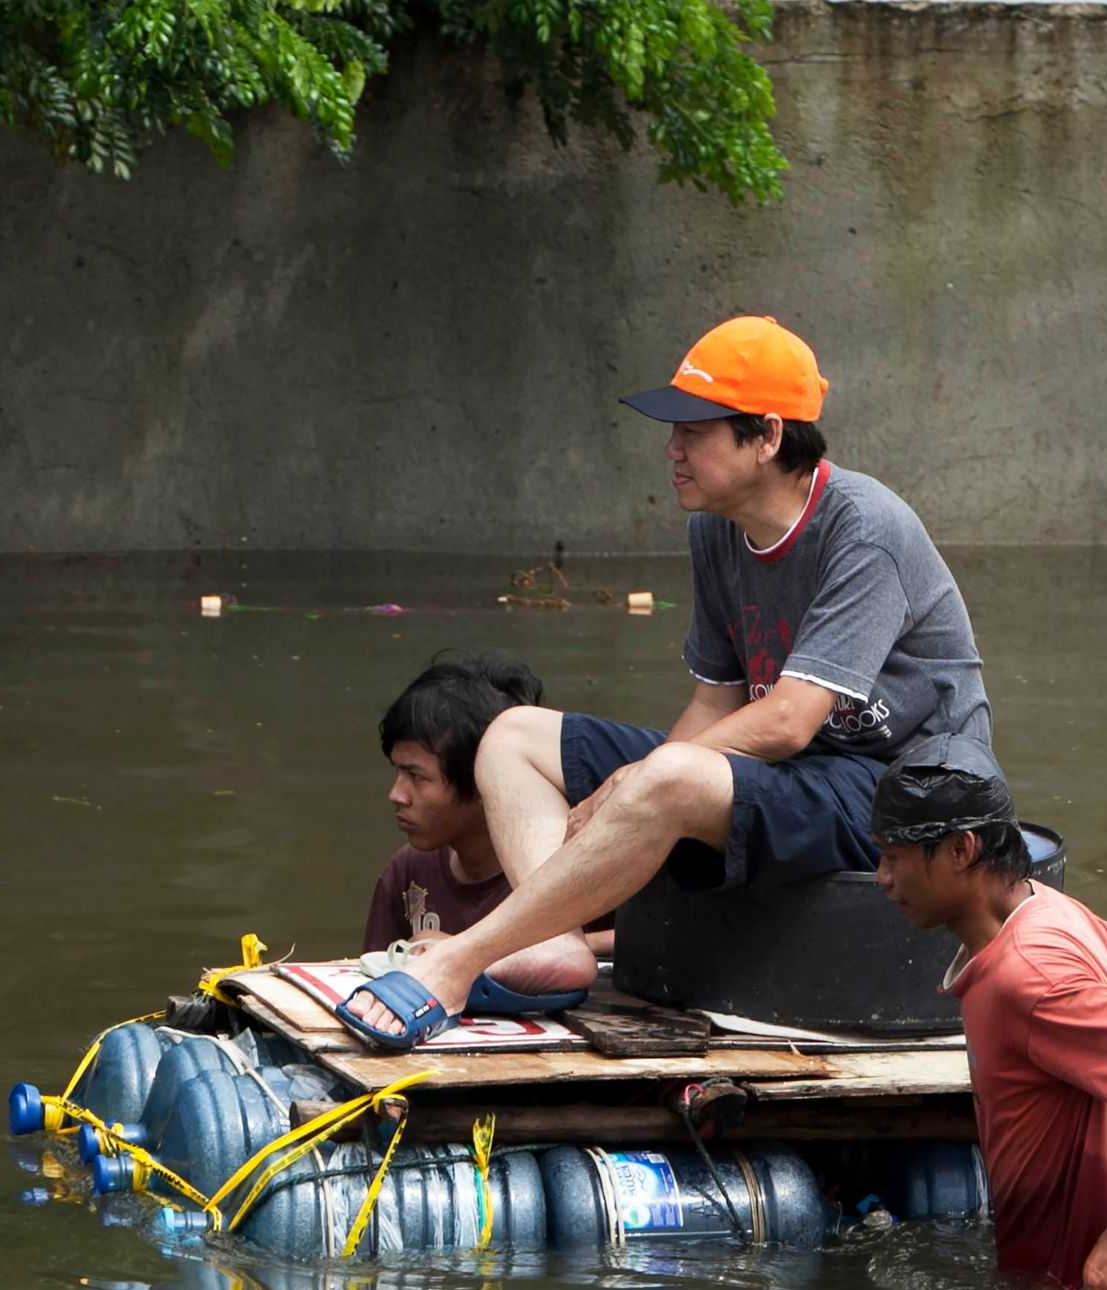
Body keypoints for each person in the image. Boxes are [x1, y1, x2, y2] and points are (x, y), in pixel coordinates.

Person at [336, 314, 990, 1049]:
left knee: (669, 775)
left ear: (768, 436)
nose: (671, 450)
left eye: (695, 431)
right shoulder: (715, 526)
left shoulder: (864, 528)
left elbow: (787, 722)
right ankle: (555, 940)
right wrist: (639, 793)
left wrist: (643, 781)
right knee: (511, 737)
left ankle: (462, 959)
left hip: (900, 789)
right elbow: (717, 696)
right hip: (791, 777)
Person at [869, 738, 1107, 1290]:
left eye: (894, 856)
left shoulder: (1028, 978)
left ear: (961, 850)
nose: (882, 877)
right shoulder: (1053, 910)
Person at [362, 656, 546, 955]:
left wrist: (470, 950)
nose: (396, 794)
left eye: (416, 776)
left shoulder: (564, 867)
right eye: (398, 772)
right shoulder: (408, 872)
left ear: (483, 779)